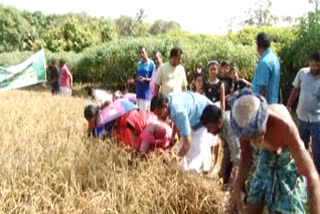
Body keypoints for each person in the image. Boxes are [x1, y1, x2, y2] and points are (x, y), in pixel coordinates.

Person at [229, 89, 320, 214]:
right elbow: (246, 155)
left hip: (287, 157)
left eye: (258, 137)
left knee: (288, 208)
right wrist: (237, 187)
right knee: (253, 202)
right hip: (265, 157)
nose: (254, 143)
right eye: (251, 139)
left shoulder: (284, 127)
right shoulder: (244, 123)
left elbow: (311, 175)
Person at [151, 92, 214, 173]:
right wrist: (173, 135)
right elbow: (176, 119)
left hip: (205, 115)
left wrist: (173, 161)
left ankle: (197, 173)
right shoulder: (169, 99)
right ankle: (184, 170)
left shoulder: (179, 112)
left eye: (160, 113)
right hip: (196, 112)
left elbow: (187, 144)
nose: (159, 117)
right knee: (182, 146)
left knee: (195, 155)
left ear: (165, 107)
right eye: (157, 115)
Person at [287, 51, 320, 172]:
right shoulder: (302, 73)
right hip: (302, 117)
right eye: (313, 65)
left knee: (318, 150)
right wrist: (288, 105)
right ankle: (301, 172)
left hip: (317, 119)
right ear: (309, 62)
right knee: (301, 146)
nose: (315, 68)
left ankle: (316, 175)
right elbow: (295, 90)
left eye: (318, 66)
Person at [251, 32, 280, 104]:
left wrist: (261, 107)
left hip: (265, 104)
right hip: (272, 101)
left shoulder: (264, 62)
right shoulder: (274, 58)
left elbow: (263, 88)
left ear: (258, 45)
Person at [135, 46, 155, 111]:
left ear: (147, 52)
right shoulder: (138, 64)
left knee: (145, 115)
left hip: (147, 94)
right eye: (140, 53)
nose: (141, 54)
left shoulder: (151, 64)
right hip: (138, 93)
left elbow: (154, 79)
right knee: (138, 114)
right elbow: (138, 76)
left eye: (143, 52)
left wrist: (145, 79)